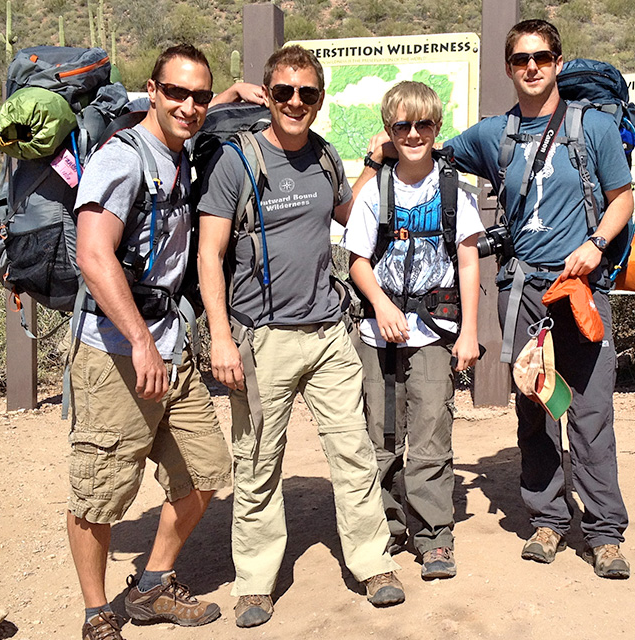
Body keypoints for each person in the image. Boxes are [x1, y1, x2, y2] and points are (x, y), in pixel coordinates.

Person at [197, 44, 404, 628]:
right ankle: (257, 581)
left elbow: (347, 214)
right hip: (261, 340)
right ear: (268, 93)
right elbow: (210, 254)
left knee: (354, 453)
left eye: (307, 93)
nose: (295, 102)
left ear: (319, 98)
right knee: (258, 462)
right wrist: (220, 336)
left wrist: (373, 160)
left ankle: (373, 564)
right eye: (283, 91)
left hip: (327, 331)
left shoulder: (324, 156)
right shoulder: (237, 161)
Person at [68, 45, 249, 640]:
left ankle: (151, 586)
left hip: (170, 344)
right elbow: (93, 256)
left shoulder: (180, 149)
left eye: (200, 96)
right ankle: (97, 614)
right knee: (100, 491)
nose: (190, 106)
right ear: (152, 90)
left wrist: (228, 98)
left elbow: (198, 112)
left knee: (205, 470)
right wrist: (141, 342)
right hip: (116, 351)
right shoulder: (121, 158)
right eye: (177, 93)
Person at [444, 19, 635, 579]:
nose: (533, 66)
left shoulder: (592, 127)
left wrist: (596, 244)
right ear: (508, 67)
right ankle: (549, 520)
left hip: (581, 289)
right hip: (524, 292)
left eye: (543, 57)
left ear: (557, 61)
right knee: (536, 406)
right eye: (522, 58)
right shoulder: (492, 135)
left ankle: (604, 533)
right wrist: (388, 143)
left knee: (592, 412)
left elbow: (621, 198)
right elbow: (430, 154)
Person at [343, 81, 483, 580]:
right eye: (403, 125)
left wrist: (468, 331)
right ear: (389, 131)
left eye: (424, 124)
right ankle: (387, 527)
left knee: (430, 434)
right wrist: (379, 304)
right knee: (379, 436)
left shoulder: (453, 191)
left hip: (434, 331)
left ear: (437, 128)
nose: (414, 134)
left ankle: (434, 536)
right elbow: (358, 260)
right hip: (379, 334)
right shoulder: (374, 192)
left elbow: (468, 261)